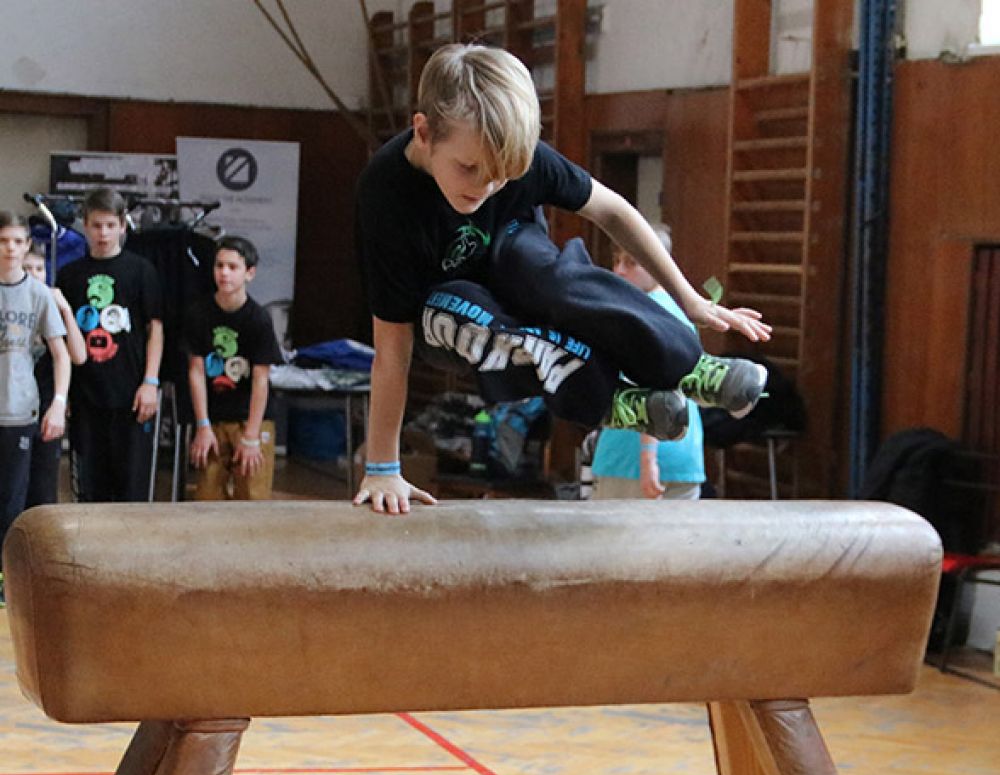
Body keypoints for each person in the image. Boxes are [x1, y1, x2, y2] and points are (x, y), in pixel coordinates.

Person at [354, 43, 771, 515]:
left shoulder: (522, 158)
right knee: (479, 314)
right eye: (469, 168)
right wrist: (383, 466)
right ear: (424, 132)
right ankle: (614, 399)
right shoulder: (385, 193)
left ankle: (689, 368)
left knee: (548, 274)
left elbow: (614, 211)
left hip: (512, 258)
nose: (484, 187)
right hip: (439, 308)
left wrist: (690, 299)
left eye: (501, 175)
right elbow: (392, 348)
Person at [57, 188, 164, 502]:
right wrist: (64, 394)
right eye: (96, 225)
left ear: (122, 226)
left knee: (130, 488)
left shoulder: (141, 271)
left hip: (130, 396)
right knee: (90, 489)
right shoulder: (69, 275)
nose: (103, 233)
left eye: (109, 225)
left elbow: (155, 329)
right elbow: (62, 338)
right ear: (85, 226)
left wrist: (150, 382)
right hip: (86, 398)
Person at [592, 225, 705, 500]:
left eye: (631, 263)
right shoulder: (682, 312)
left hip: (631, 461)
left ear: (656, 264)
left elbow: (655, 387)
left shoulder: (642, 315)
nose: (619, 270)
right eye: (617, 260)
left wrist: (647, 459)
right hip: (683, 457)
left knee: (612, 543)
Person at [184, 236, 283, 500]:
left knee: (252, 495)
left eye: (232, 267)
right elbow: (196, 370)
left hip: (250, 417)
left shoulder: (258, 319)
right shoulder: (198, 313)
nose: (224, 273)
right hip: (214, 417)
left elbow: (261, 380)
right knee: (207, 495)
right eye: (219, 266)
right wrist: (202, 425)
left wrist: (252, 435)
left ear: (249, 273)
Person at [0, 212, 70, 565]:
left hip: (19, 411)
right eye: (3, 241)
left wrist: (58, 403)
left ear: (27, 245)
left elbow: (63, 354)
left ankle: (5, 577)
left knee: (12, 502)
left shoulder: (39, 295)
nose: (10, 248)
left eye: (16, 241)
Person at [22, 244, 87, 507]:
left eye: (39, 268)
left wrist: (66, 311)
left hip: (47, 407)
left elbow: (78, 356)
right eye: (28, 268)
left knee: (43, 490)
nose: (35, 274)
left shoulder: (52, 307)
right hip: (14, 408)